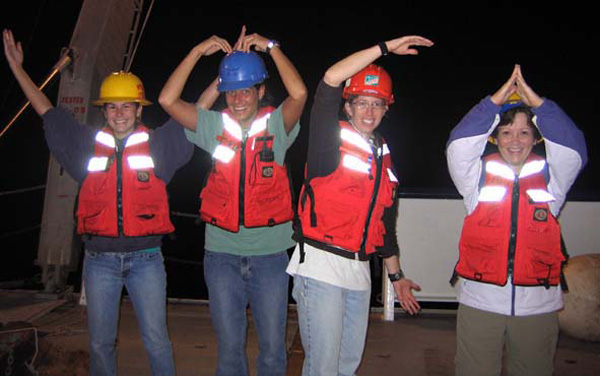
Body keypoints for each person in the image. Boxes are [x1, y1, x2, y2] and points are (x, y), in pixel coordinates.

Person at [3, 29, 193, 376]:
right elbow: (48, 112)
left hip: (147, 259)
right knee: (100, 343)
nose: (119, 113)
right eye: (112, 107)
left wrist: (222, 69)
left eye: (126, 106)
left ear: (139, 110)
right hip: (99, 262)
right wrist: (18, 69)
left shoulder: (159, 146)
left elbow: (196, 112)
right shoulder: (84, 146)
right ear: (103, 111)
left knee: (156, 339)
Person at [158, 26, 307, 376]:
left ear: (260, 91)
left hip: (270, 255)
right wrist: (197, 52)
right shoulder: (212, 126)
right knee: (229, 348)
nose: (238, 99)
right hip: (221, 254)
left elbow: (299, 93)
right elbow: (167, 100)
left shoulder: (277, 127)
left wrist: (270, 46)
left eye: (246, 91)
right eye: (231, 92)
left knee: (272, 349)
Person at [286, 35, 433, 376]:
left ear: (386, 108)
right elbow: (330, 81)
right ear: (347, 107)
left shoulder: (382, 155)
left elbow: (383, 223)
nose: (369, 111)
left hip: (360, 272)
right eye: (362, 102)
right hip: (321, 267)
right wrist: (384, 48)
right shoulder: (328, 142)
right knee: (322, 367)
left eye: (377, 103)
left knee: (347, 366)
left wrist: (396, 276)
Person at [446, 64, 588, 376]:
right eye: (506, 132)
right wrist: (494, 103)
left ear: (536, 138)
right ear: (494, 138)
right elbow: (459, 143)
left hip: (538, 305)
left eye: (524, 132)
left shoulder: (553, 179)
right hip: (481, 302)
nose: (515, 140)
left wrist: (539, 105)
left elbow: (574, 147)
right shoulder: (474, 177)